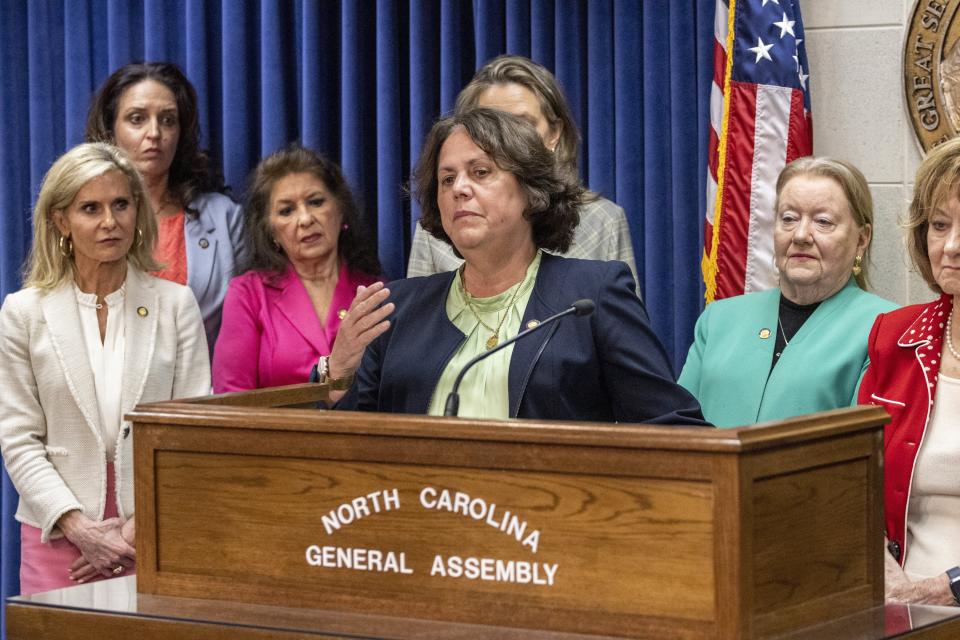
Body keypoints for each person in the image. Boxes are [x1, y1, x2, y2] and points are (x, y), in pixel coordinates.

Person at [329, 108, 704, 425]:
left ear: (530, 189)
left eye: (480, 172)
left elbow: (671, 426)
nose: (459, 188)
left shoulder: (591, 296)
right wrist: (338, 376)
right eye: (446, 179)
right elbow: (348, 448)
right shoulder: (397, 309)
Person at [0, 143, 211, 594]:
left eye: (121, 204)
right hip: (57, 534)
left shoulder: (176, 305)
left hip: (156, 528)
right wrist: (81, 529)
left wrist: (132, 532)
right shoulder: (23, 312)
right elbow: (18, 438)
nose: (110, 222)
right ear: (61, 221)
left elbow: (193, 434)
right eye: (90, 208)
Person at [678, 157, 896, 427]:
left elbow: (864, 450)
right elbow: (679, 427)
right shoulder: (719, 319)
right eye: (789, 218)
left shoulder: (886, 327)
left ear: (861, 239)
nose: (801, 235)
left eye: (823, 221)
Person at [406, 55, 639, 296]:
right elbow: (418, 326)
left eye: (521, 125)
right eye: (490, 126)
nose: (507, 140)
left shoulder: (603, 221)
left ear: (554, 133)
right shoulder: (446, 221)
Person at [859, 137, 960, 606]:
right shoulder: (895, 336)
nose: (951, 246)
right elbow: (853, 481)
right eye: (939, 225)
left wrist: (943, 589)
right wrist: (879, 574)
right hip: (899, 607)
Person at [86, 62, 246, 355]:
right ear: (111, 132)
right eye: (137, 119)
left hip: (201, 391)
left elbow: (250, 324)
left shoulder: (224, 218)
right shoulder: (83, 217)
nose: (155, 133)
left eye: (168, 120)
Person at [212, 145, 383, 392]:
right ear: (271, 232)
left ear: (340, 208)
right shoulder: (248, 294)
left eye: (315, 202)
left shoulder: (374, 293)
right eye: (286, 211)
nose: (305, 219)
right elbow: (231, 401)